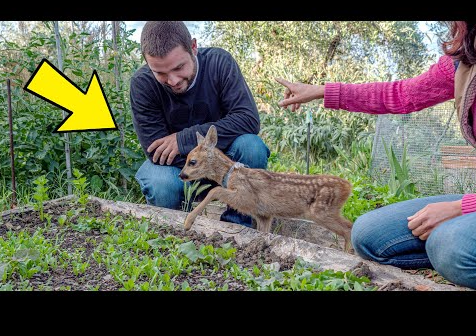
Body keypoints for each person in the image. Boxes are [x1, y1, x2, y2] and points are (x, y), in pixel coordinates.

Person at [275, 21, 476, 289]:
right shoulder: (464, 62)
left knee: (450, 247)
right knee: (368, 234)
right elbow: (402, 94)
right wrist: (322, 91)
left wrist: (460, 209)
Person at [130, 21, 270, 228]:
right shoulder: (142, 84)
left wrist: (182, 140)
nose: (173, 80)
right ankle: (171, 231)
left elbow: (247, 118)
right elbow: (156, 151)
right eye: (160, 73)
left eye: (179, 67)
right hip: (177, 171)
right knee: (160, 183)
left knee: (251, 146)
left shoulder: (219, 63)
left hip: (225, 165)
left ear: (193, 47)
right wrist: (197, 166)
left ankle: (238, 228)